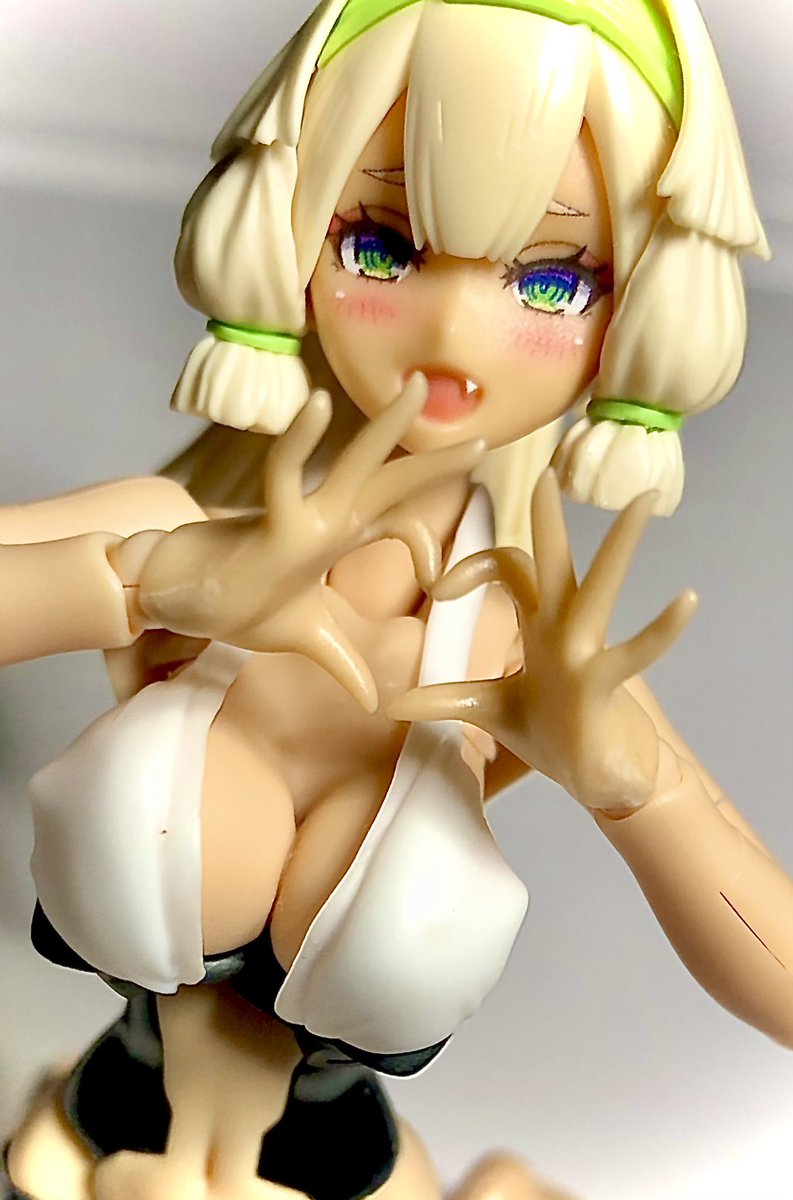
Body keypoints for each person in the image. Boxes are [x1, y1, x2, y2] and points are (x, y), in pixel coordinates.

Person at [3, 2, 791, 1198]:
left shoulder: (515, 650)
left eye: (551, 280)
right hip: (83, 1152)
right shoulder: (181, 542)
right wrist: (135, 581)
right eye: (379, 248)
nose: (455, 332)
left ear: (643, 309)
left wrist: (639, 788)